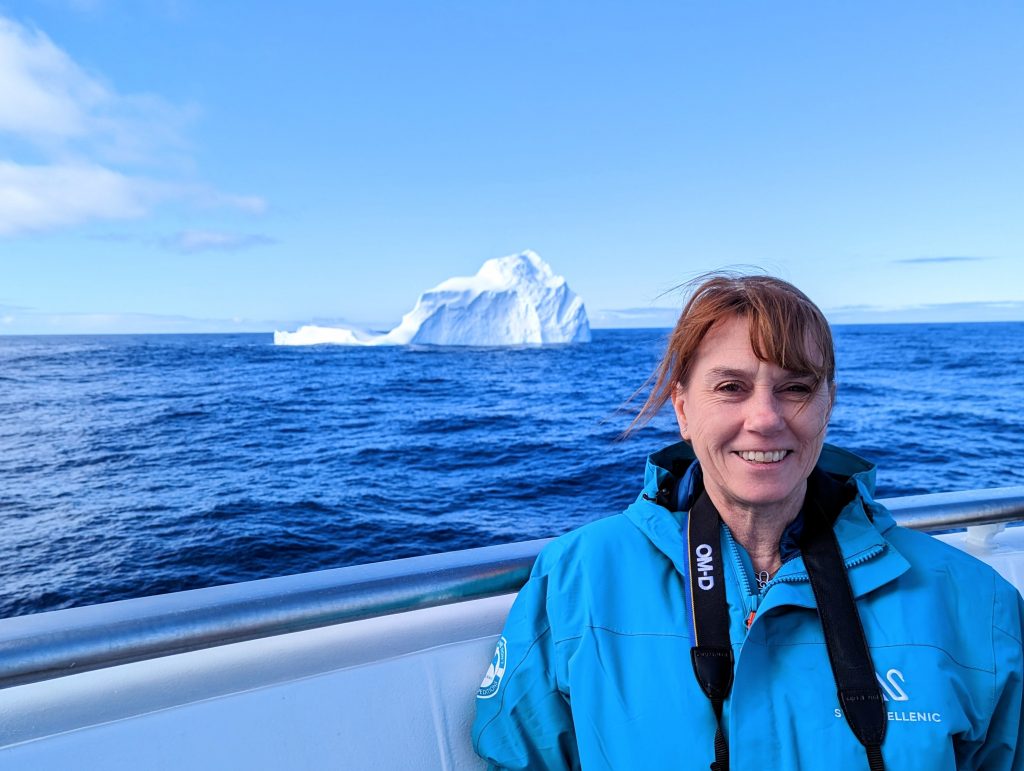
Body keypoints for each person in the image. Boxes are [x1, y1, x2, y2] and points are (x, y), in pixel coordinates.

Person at [472, 274, 1024, 770]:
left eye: (797, 388)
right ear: (683, 410)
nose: (765, 418)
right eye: (731, 387)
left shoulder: (976, 603)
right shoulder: (579, 580)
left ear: (827, 406)